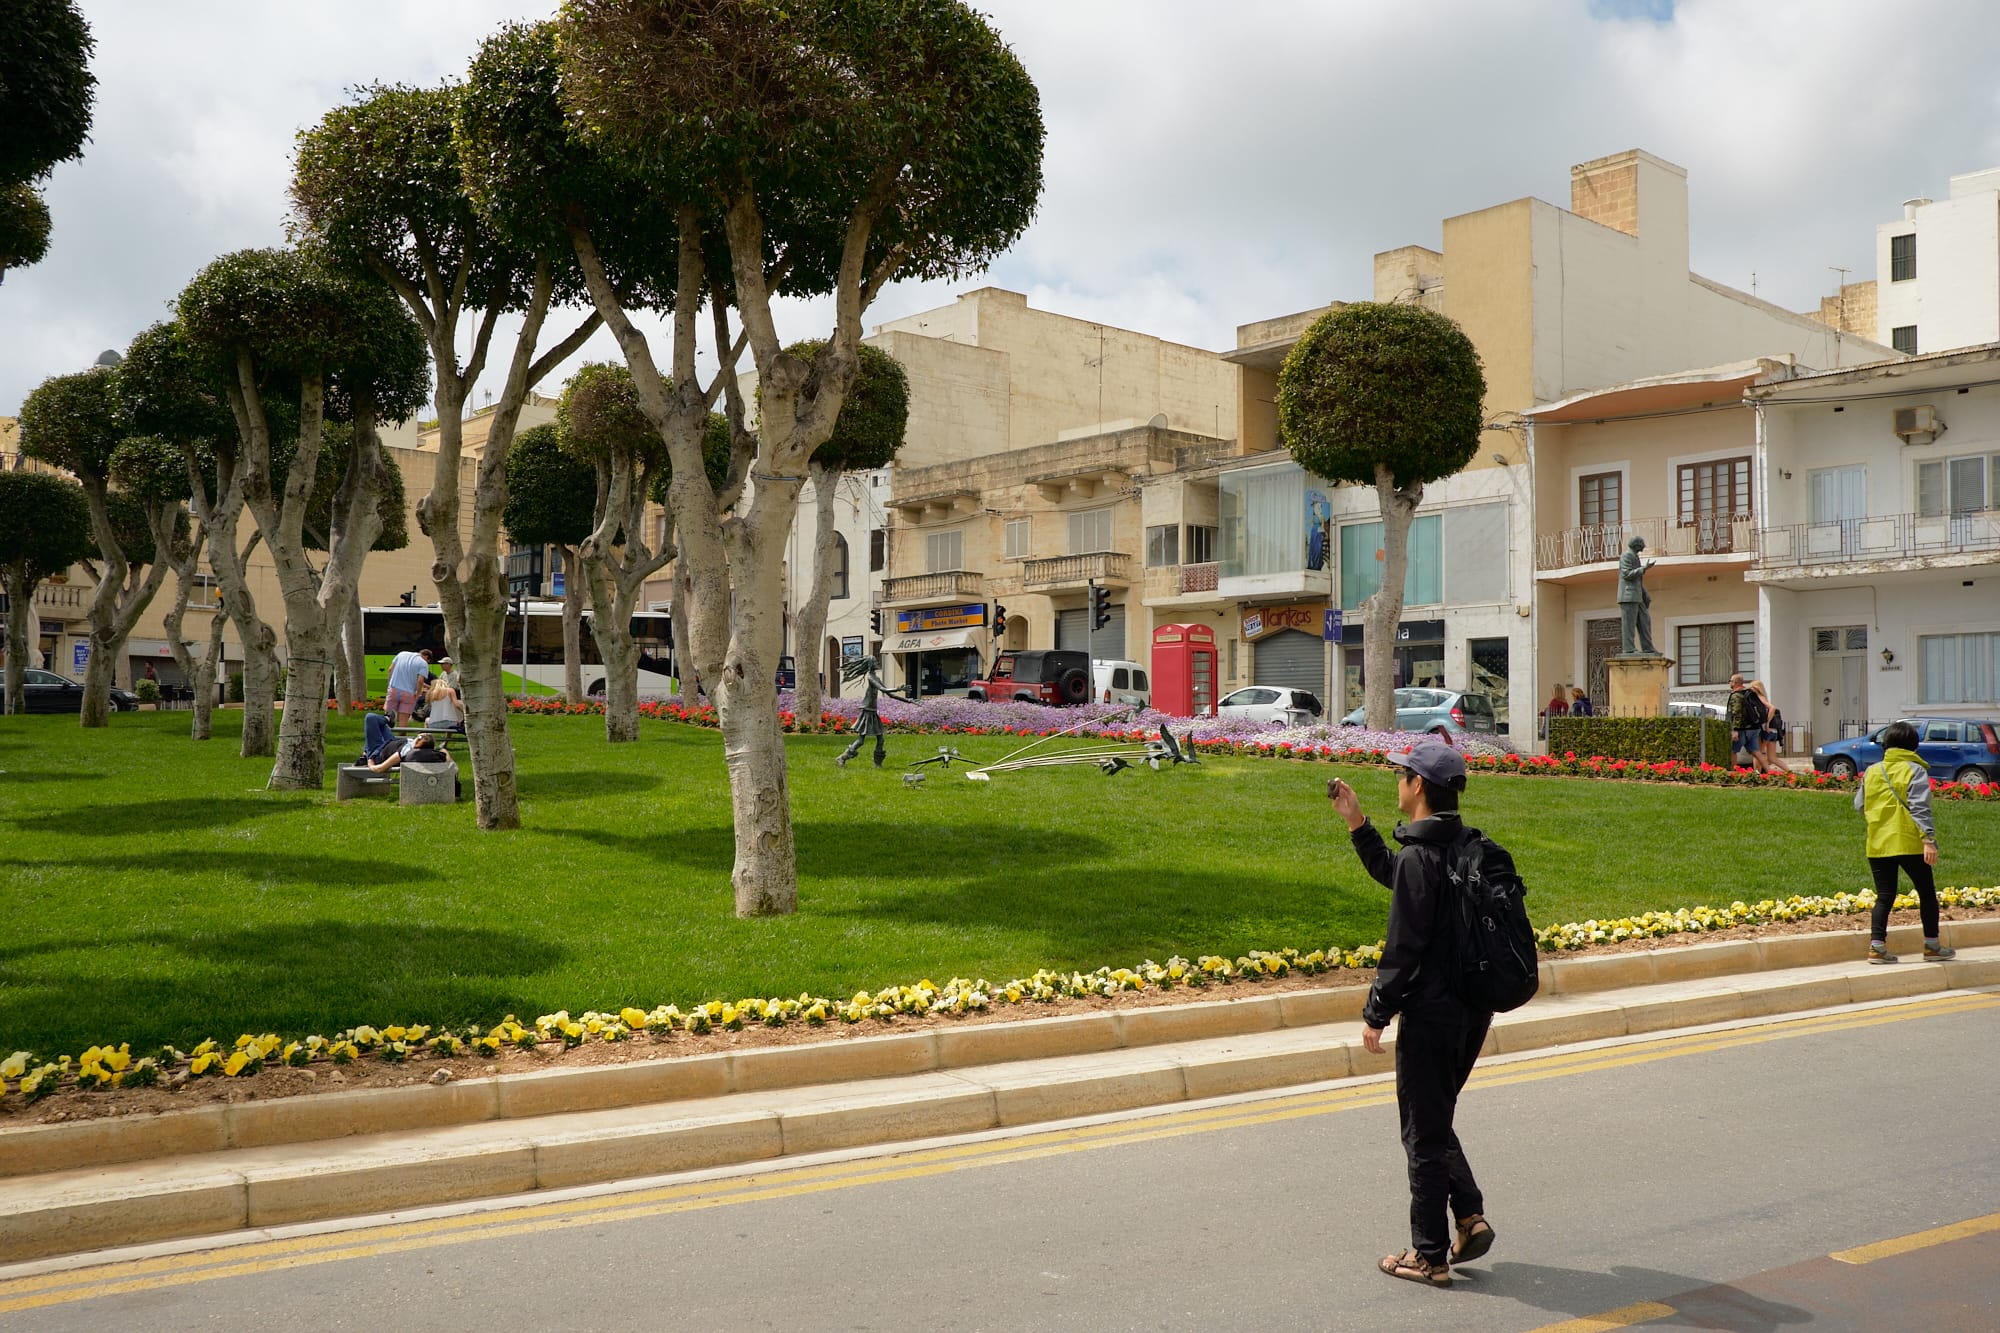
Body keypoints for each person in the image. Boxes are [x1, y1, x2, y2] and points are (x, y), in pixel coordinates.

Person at [1329, 740, 1496, 1288]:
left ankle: (1429, 1256)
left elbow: (1403, 946)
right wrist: (1357, 824)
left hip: (1431, 1016)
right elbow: (1398, 877)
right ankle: (1468, 1217)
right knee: (1434, 1115)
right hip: (1475, 1012)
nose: (1397, 781)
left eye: (1401, 774)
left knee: (1422, 1133)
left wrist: (1377, 1010)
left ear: (1418, 785)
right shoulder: (1469, 847)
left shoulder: (1423, 857)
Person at [1858, 721, 1954, 965]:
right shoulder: (1915, 770)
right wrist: (1928, 840)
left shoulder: (1872, 771)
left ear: (1887, 744)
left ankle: (1877, 947)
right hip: (1910, 842)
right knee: (1926, 893)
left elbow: (1860, 805)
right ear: (1913, 745)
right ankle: (1931, 945)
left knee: (1885, 896)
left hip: (1878, 842)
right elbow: (1920, 807)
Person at [835, 655, 908, 768]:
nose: (876, 662)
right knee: (861, 740)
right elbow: (883, 689)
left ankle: (877, 764)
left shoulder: (876, 678)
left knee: (880, 739)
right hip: (867, 713)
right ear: (870, 664)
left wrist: (908, 700)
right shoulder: (871, 678)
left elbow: (890, 694)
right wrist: (898, 688)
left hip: (873, 713)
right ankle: (842, 757)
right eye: (874, 661)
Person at [361, 711, 442, 773]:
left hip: (378, 752)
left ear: (419, 741)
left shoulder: (405, 751)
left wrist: (370, 762)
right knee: (378, 724)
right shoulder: (414, 746)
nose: (421, 733)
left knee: (370, 717)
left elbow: (380, 768)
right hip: (390, 742)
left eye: (422, 735)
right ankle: (366, 752)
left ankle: (387, 718)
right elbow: (444, 753)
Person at [1616, 535, 1658, 655]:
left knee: (1645, 621)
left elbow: (1637, 580)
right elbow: (1626, 574)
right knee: (1629, 624)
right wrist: (1644, 569)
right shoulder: (1626, 556)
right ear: (1637, 545)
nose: (1643, 546)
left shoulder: (1634, 556)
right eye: (1642, 544)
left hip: (1637, 596)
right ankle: (1628, 649)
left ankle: (1648, 647)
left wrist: (1645, 594)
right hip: (1628, 596)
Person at [1726, 673, 1766, 771]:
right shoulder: (1750, 693)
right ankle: (1769, 771)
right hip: (1754, 728)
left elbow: (1737, 713)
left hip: (1742, 729)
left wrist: (1735, 730)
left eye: (1730, 681)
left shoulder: (1736, 696)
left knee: (1733, 750)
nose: (1730, 683)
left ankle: (1733, 772)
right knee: (1755, 751)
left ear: (1735, 682)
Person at [385, 647, 434, 727]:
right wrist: (417, 695)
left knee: (387, 719)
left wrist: (389, 686)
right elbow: (420, 681)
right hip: (409, 693)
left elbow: (390, 669)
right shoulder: (423, 663)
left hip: (394, 690)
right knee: (403, 722)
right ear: (427, 658)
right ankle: (402, 736)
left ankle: (389, 722)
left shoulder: (401, 654)